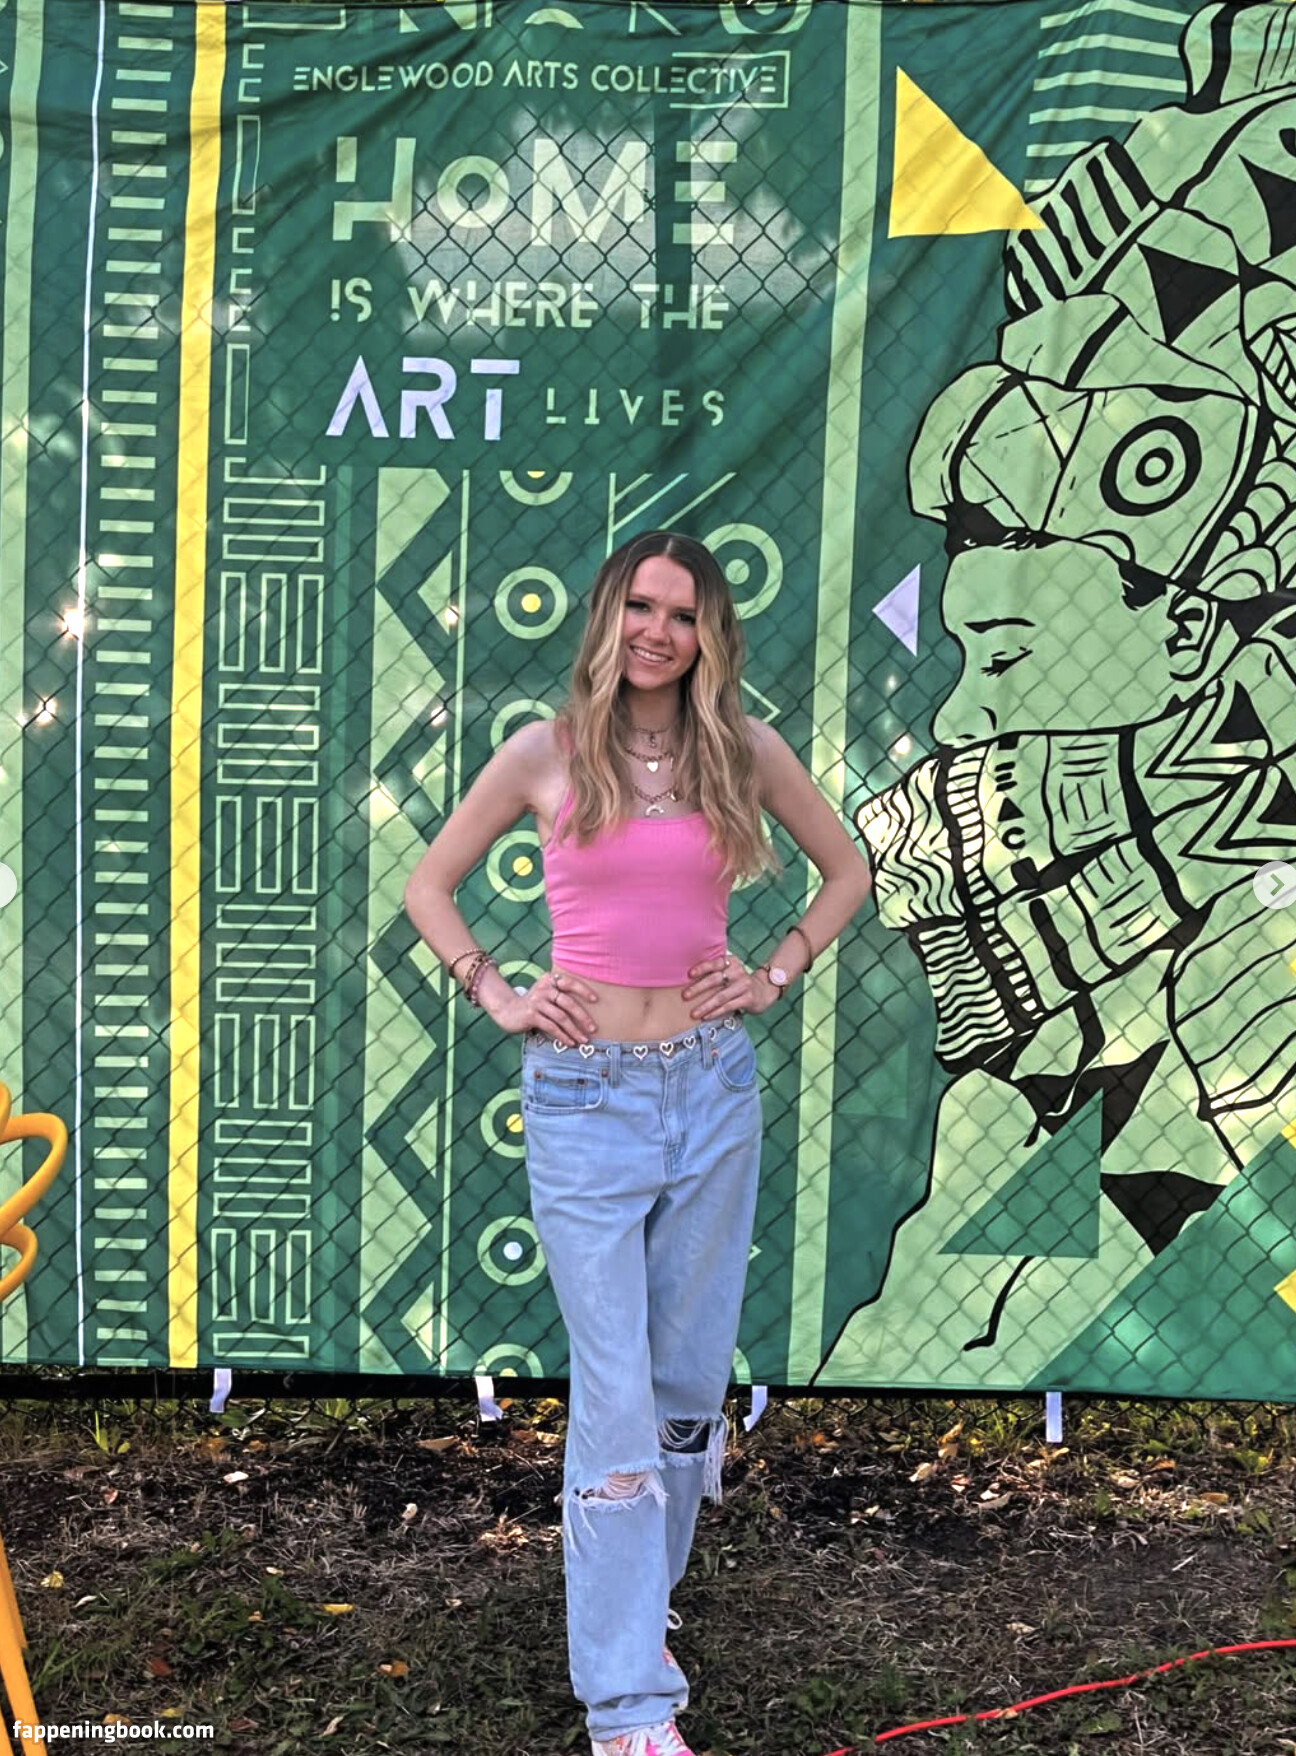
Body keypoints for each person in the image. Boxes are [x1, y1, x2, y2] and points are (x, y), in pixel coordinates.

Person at [404, 528, 872, 1756]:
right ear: (608, 616)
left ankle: (635, 1613)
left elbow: (847, 870)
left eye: (682, 612)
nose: (658, 631)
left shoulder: (741, 751)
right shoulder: (545, 752)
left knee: (683, 1390)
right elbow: (428, 885)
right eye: (641, 606)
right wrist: (496, 989)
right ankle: (627, 1708)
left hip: (711, 1089)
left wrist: (773, 973)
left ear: (709, 634)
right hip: (584, 1100)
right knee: (613, 1393)